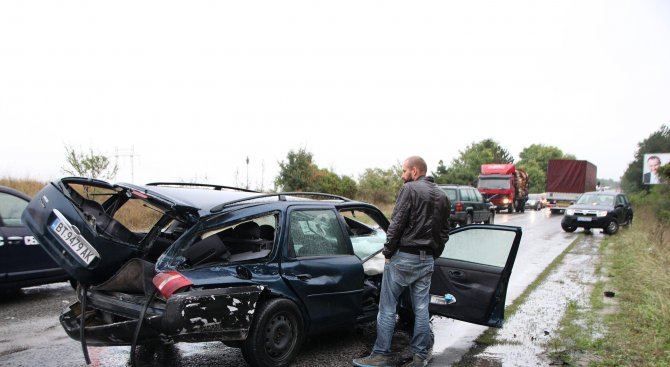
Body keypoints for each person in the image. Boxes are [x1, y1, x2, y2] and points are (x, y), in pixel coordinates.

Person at [353, 156, 450, 367]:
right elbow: (444, 232)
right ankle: (420, 356)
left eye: (404, 171)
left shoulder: (410, 189)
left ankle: (380, 355)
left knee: (387, 307)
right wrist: (433, 253)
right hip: (426, 260)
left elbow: (396, 223)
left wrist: (388, 252)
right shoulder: (443, 196)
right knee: (422, 308)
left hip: (403, 257)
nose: (402, 175)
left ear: (415, 171)